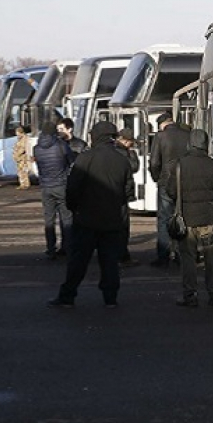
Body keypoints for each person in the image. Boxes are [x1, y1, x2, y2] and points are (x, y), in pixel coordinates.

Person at [48, 121, 135, 308]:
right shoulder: (122, 160)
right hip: (112, 219)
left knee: (78, 261)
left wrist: (74, 208)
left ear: (95, 136)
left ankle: (67, 296)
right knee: (110, 262)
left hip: (86, 218)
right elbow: (128, 191)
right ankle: (110, 298)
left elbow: (72, 188)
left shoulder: (85, 158)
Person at [167, 129, 213, 308]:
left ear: (190, 143)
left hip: (187, 219)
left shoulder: (179, 165)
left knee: (188, 258)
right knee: (212, 257)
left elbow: (171, 191)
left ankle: (190, 294)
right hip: (209, 217)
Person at [148, 112, 190, 267]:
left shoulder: (160, 137)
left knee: (164, 218)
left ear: (161, 124)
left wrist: (156, 178)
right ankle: (182, 253)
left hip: (165, 182)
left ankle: (164, 255)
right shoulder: (188, 135)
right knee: (182, 217)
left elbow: (154, 162)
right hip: (184, 181)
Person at [33, 122, 75, 259]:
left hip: (46, 186)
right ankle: (67, 247)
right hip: (61, 185)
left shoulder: (36, 148)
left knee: (49, 219)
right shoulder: (61, 146)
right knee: (66, 218)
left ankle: (50, 248)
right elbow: (71, 162)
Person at [116, 128, 140, 267]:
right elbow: (134, 167)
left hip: (113, 193)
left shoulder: (113, 151)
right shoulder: (125, 153)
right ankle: (123, 257)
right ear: (126, 141)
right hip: (122, 193)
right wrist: (132, 154)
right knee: (123, 227)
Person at [13, 125, 32, 190]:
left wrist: (17, 154)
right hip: (19, 159)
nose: (17, 135)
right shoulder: (20, 139)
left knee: (23, 172)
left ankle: (25, 184)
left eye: (18, 134)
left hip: (23, 158)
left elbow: (24, 148)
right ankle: (22, 184)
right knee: (20, 172)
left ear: (21, 133)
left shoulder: (25, 139)